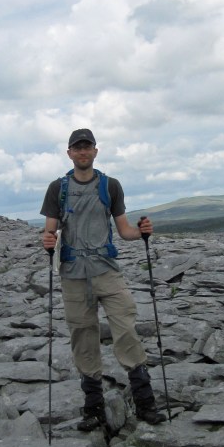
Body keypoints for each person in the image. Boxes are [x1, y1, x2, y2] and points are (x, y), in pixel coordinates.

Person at [41, 128, 167, 431]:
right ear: (69, 153)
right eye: (77, 148)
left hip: (106, 271)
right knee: (83, 337)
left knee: (126, 329)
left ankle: (145, 403)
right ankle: (93, 408)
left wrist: (142, 233)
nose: (83, 152)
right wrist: (46, 242)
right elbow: (50, 232)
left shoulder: (110, 186)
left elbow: (124, 230)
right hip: (73, 274)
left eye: (88, 147)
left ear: (95, 152)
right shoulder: (56, 188)